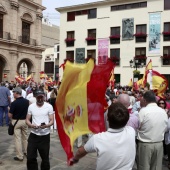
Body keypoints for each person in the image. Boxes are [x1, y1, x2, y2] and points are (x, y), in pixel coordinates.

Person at [71, 102, 136, 169]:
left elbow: (80, 152)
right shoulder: (131, 131)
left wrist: (75, 159)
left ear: (107, 118)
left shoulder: (98, 139)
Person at [136, 90, 168, 170]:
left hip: (145, 144)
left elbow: (137, 126)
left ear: (145, 100)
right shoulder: (163, 112)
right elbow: (166, 127)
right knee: (156, 167)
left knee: (144, 167)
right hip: (159, 144)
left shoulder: (143, 111)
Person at [26, 89, 54, 170]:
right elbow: (27, 119)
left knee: (45, 158)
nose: (40, 99)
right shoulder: (31, 106)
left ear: (44, 97)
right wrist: (31, 125)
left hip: (44, 135)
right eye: (38, 98)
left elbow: (52, 120)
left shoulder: (49, 106)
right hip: (33, 134)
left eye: (42, 97)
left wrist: (46, 125)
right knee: (30, 156)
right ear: (35, 97)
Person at [8, 87, 29, 161]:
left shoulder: (14, 103)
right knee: (25, 138)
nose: (13, 94)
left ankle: (20, 156)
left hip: (16, 122)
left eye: (14, 92)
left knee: (17, 139)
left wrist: (8, 111)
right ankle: (27, 152)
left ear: (17, 93)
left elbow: (10, 115)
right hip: (25, 121)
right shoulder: (27, 101)